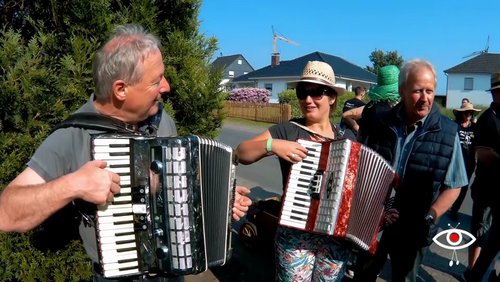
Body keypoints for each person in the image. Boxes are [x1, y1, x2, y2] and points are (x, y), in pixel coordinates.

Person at [0, 24, 252, 282]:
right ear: (121, 90)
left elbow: (177, 191)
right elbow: (6, 213)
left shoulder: (161, 120)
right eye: (156, 81)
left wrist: (218, 200)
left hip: (172, 273)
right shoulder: (72, 136)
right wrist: (71, 185)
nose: (166, 86)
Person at [236, 60, 356, 281]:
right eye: (303, 92)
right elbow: (241, 153)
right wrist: (273, 145)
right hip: (295, 235)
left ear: (332, 98)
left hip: (335, 239)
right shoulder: (288, 130)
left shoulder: (347, 139)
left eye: (317, 92)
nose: (308, 100)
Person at [354, 59, 467, 282]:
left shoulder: (447, 131)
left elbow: (455, 185)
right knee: (363, 274)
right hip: (373, 221)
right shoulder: (380, 123)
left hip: (414, 228)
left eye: (430, 91)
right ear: (402, 90)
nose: (425, 98)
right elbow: (360, 167)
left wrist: (430, 215)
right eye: (417, 91)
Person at [463, 72, 500, 282]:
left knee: (495, 235)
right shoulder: (487, 119)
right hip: (486, 187)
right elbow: (483, 155)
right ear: (495, 94)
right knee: (480, 230)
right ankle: (472, 271)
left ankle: (488, 272)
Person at [342, 65, 400, 143]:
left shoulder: (370, 106)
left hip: (367, 149)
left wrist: (358, 129)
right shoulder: (400, 110)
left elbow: (346, 114)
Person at [448, 102, 481, 222]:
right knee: (451, 185)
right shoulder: (455, 126)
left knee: (464, 188)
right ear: (461, 113)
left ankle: (454, 209)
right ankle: (443, 204)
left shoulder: (475, 128)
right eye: (467, 112)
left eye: (471, 113)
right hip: (455, 161)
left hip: (469, 162)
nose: (469, 115)